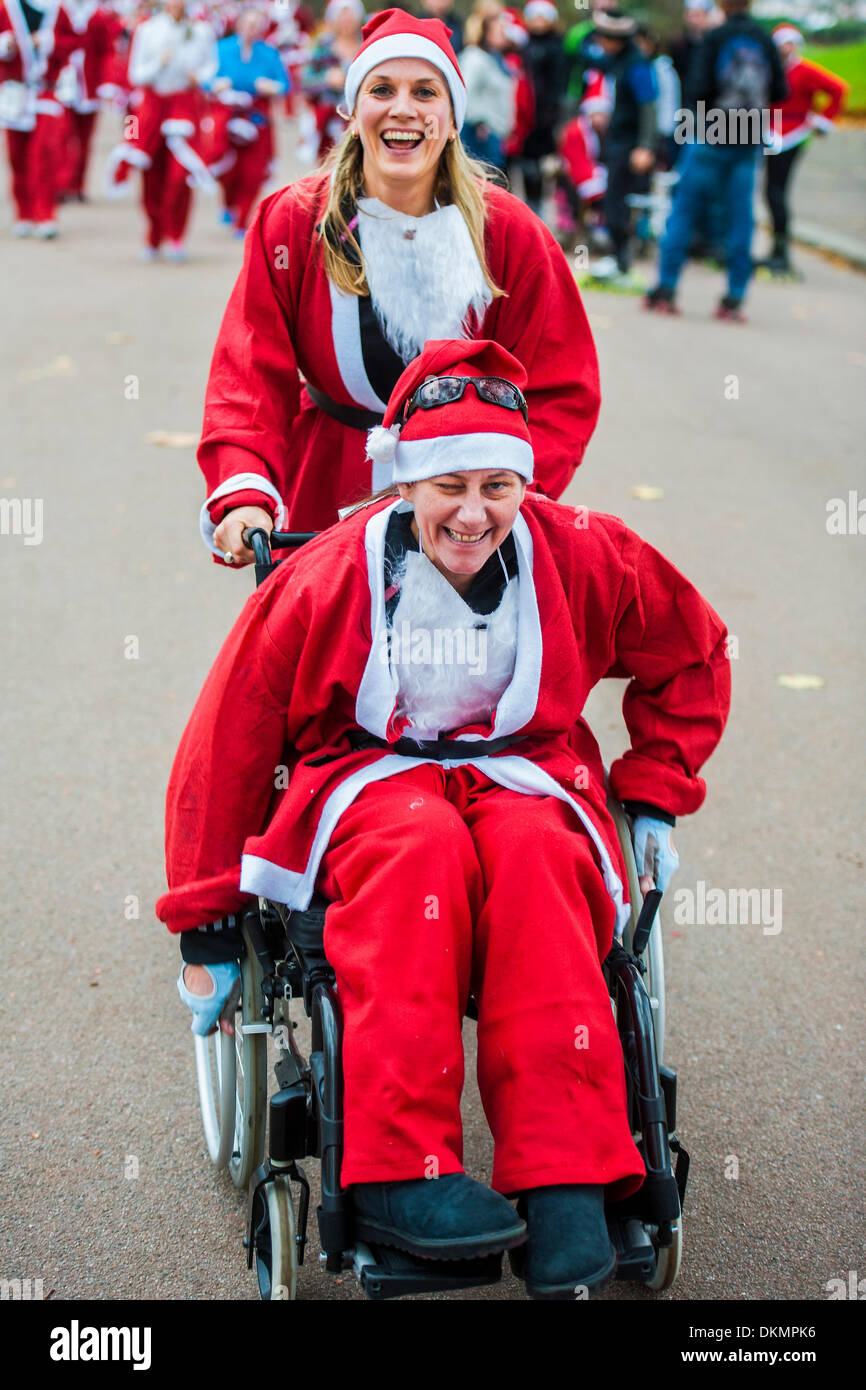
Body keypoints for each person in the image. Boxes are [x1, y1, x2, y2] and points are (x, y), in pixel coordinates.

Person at [160, 336, 731, 1296]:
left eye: (498, 487)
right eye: (450, 486)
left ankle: (566, 1174)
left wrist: (656, 785)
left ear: (525, 485)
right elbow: (230, 738)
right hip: (371, 776)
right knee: (414, 853)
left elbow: (696, 651)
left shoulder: (584, 550)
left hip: (524, 774)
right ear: (406, 485)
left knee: (542, 862)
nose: (475, 513)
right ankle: (396, 1173)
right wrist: (207, 919)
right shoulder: (329, 573)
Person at [198, 7, 601, 567]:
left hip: (467, 511)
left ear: (454, 116)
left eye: (425, 91)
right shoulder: (293, 221)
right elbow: (248, 372)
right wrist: (244, 492)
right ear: (353, 109)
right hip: (326, 487)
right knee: (320, 652)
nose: (403, 109)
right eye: (382, 88)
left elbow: (562, 385)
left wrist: (505, 497)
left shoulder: (509, 232)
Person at [644, 0, 786, 323]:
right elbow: (780, 90)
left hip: (710, 133)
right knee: (742, 217)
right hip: (747, 137)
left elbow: (697, 90)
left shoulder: (714, 37)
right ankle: (734, 298)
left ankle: (666, 289)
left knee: (685, 208)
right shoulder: (765, 39)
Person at [104, 0, 218, 260]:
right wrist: (159, 63)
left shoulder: (202, 30)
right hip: (153, 109)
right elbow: (135, 75)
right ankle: (154, 235)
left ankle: (176, 236)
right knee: (151, 174)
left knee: (180, 176)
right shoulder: (148, 30)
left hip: (186, 109)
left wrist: (199, 77)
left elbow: (211, 67)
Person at [760, 23, 848, 278]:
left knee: (776, 191)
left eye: (790, 43)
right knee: (770, 191)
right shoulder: (770, 69)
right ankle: (776, 249)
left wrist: (824, 120)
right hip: (769, 134)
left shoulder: (804, 71)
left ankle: (781, 252)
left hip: (793, 135)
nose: (785, 48)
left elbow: (838, 89)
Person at [585, 9, 657, 287]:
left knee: (619, 203)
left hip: (630, 145)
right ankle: (618, 259)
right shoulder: (614, 61)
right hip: (616, 142)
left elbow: (648, 106)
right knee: (612, 201)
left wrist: (645, 146)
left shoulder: (637, 64)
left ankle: (623, 263)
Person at [204, 4, 288, 233]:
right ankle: (228, 203)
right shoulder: (222, 49)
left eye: (257, 24)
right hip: (228, 117)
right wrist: (216, 85)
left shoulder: (269, 53)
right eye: (248, 23)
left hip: (257, 118)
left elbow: (285, 84)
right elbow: (205, 80)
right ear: (239, 24)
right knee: (228, 169)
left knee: (253, 172)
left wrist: (270, 86)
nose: (252, 28)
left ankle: (243, 219)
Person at [0, 0, 77, 237]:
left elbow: (74, 42)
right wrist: (6, 45)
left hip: (46, 90)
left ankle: (45, 214)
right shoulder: (5, 7)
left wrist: (48, 42)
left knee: (44, 152)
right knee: (17, 156)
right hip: (16, 92)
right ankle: (24, 213)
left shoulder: (57, 9)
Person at [299, 0, 364, 164]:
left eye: (350, 16)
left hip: (360, 119)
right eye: (341, 16)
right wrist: (326, 78)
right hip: (328, 123)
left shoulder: (366, 44)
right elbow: (305, 82)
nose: (346, 21)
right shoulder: (323, 45)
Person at [520, 0, 567, 215]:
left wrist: (553, 112)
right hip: (524, 118)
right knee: (525, 167)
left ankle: (541, 212)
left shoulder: (557, 46)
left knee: (545, 168)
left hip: (546, 117)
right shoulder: (522, 45)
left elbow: (560, 82)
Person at [457, 6, 514, 171]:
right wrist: (479, 121)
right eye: (500, 31)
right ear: (486, 33)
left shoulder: (495, 59)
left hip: (493, 134)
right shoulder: (474, 58)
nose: (505, 36)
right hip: (479, 136)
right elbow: (465, 93)